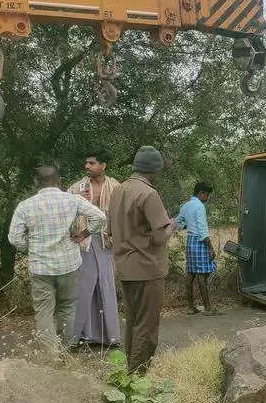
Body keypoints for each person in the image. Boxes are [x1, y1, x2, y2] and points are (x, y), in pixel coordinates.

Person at [8, 165, 106, 351]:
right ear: (59, 180)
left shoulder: (25, 206)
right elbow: (100, 217)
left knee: (44, 311)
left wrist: (31, 247)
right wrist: (84, 234)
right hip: (68, 264)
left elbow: (14, 238)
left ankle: (51, 355)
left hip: (40, 268)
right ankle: (66, 351)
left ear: (36, 182)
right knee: (67, 308)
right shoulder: (73, 200)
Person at [109, 146, 177, 374]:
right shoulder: (149, 194)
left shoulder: (118, 191)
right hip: (148, 269)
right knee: (147, 327)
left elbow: (111, 231)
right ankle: (138, 376)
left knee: (133, 322)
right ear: (155, 169)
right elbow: (160, 236)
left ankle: (129, 372)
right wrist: (172, 226)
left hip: (124, 268)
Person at [68, 149, 122, 347]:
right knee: (84, 288)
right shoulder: (77, 187)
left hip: (107, 242)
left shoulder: (115, 185)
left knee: (106, 286)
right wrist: (78, 200)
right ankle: (78, 337)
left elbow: (122, 213)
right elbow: (66, 214)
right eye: (86, 163)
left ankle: (110, 337)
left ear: (103, 165)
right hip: (84, 243)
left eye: (92, 163)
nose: (87, 166)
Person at [175, 182, 219, 314]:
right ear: (201, 193)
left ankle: (190, 307)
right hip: (200, 241)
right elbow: (202, 229)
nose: (208, 197)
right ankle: (208, 307)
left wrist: (188, 225)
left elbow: (178, 223)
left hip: (190, 242)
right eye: (207, 195)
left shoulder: (186, 205)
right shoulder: (199, 206)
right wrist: (210, 247)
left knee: (190, 274)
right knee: (202, 275)